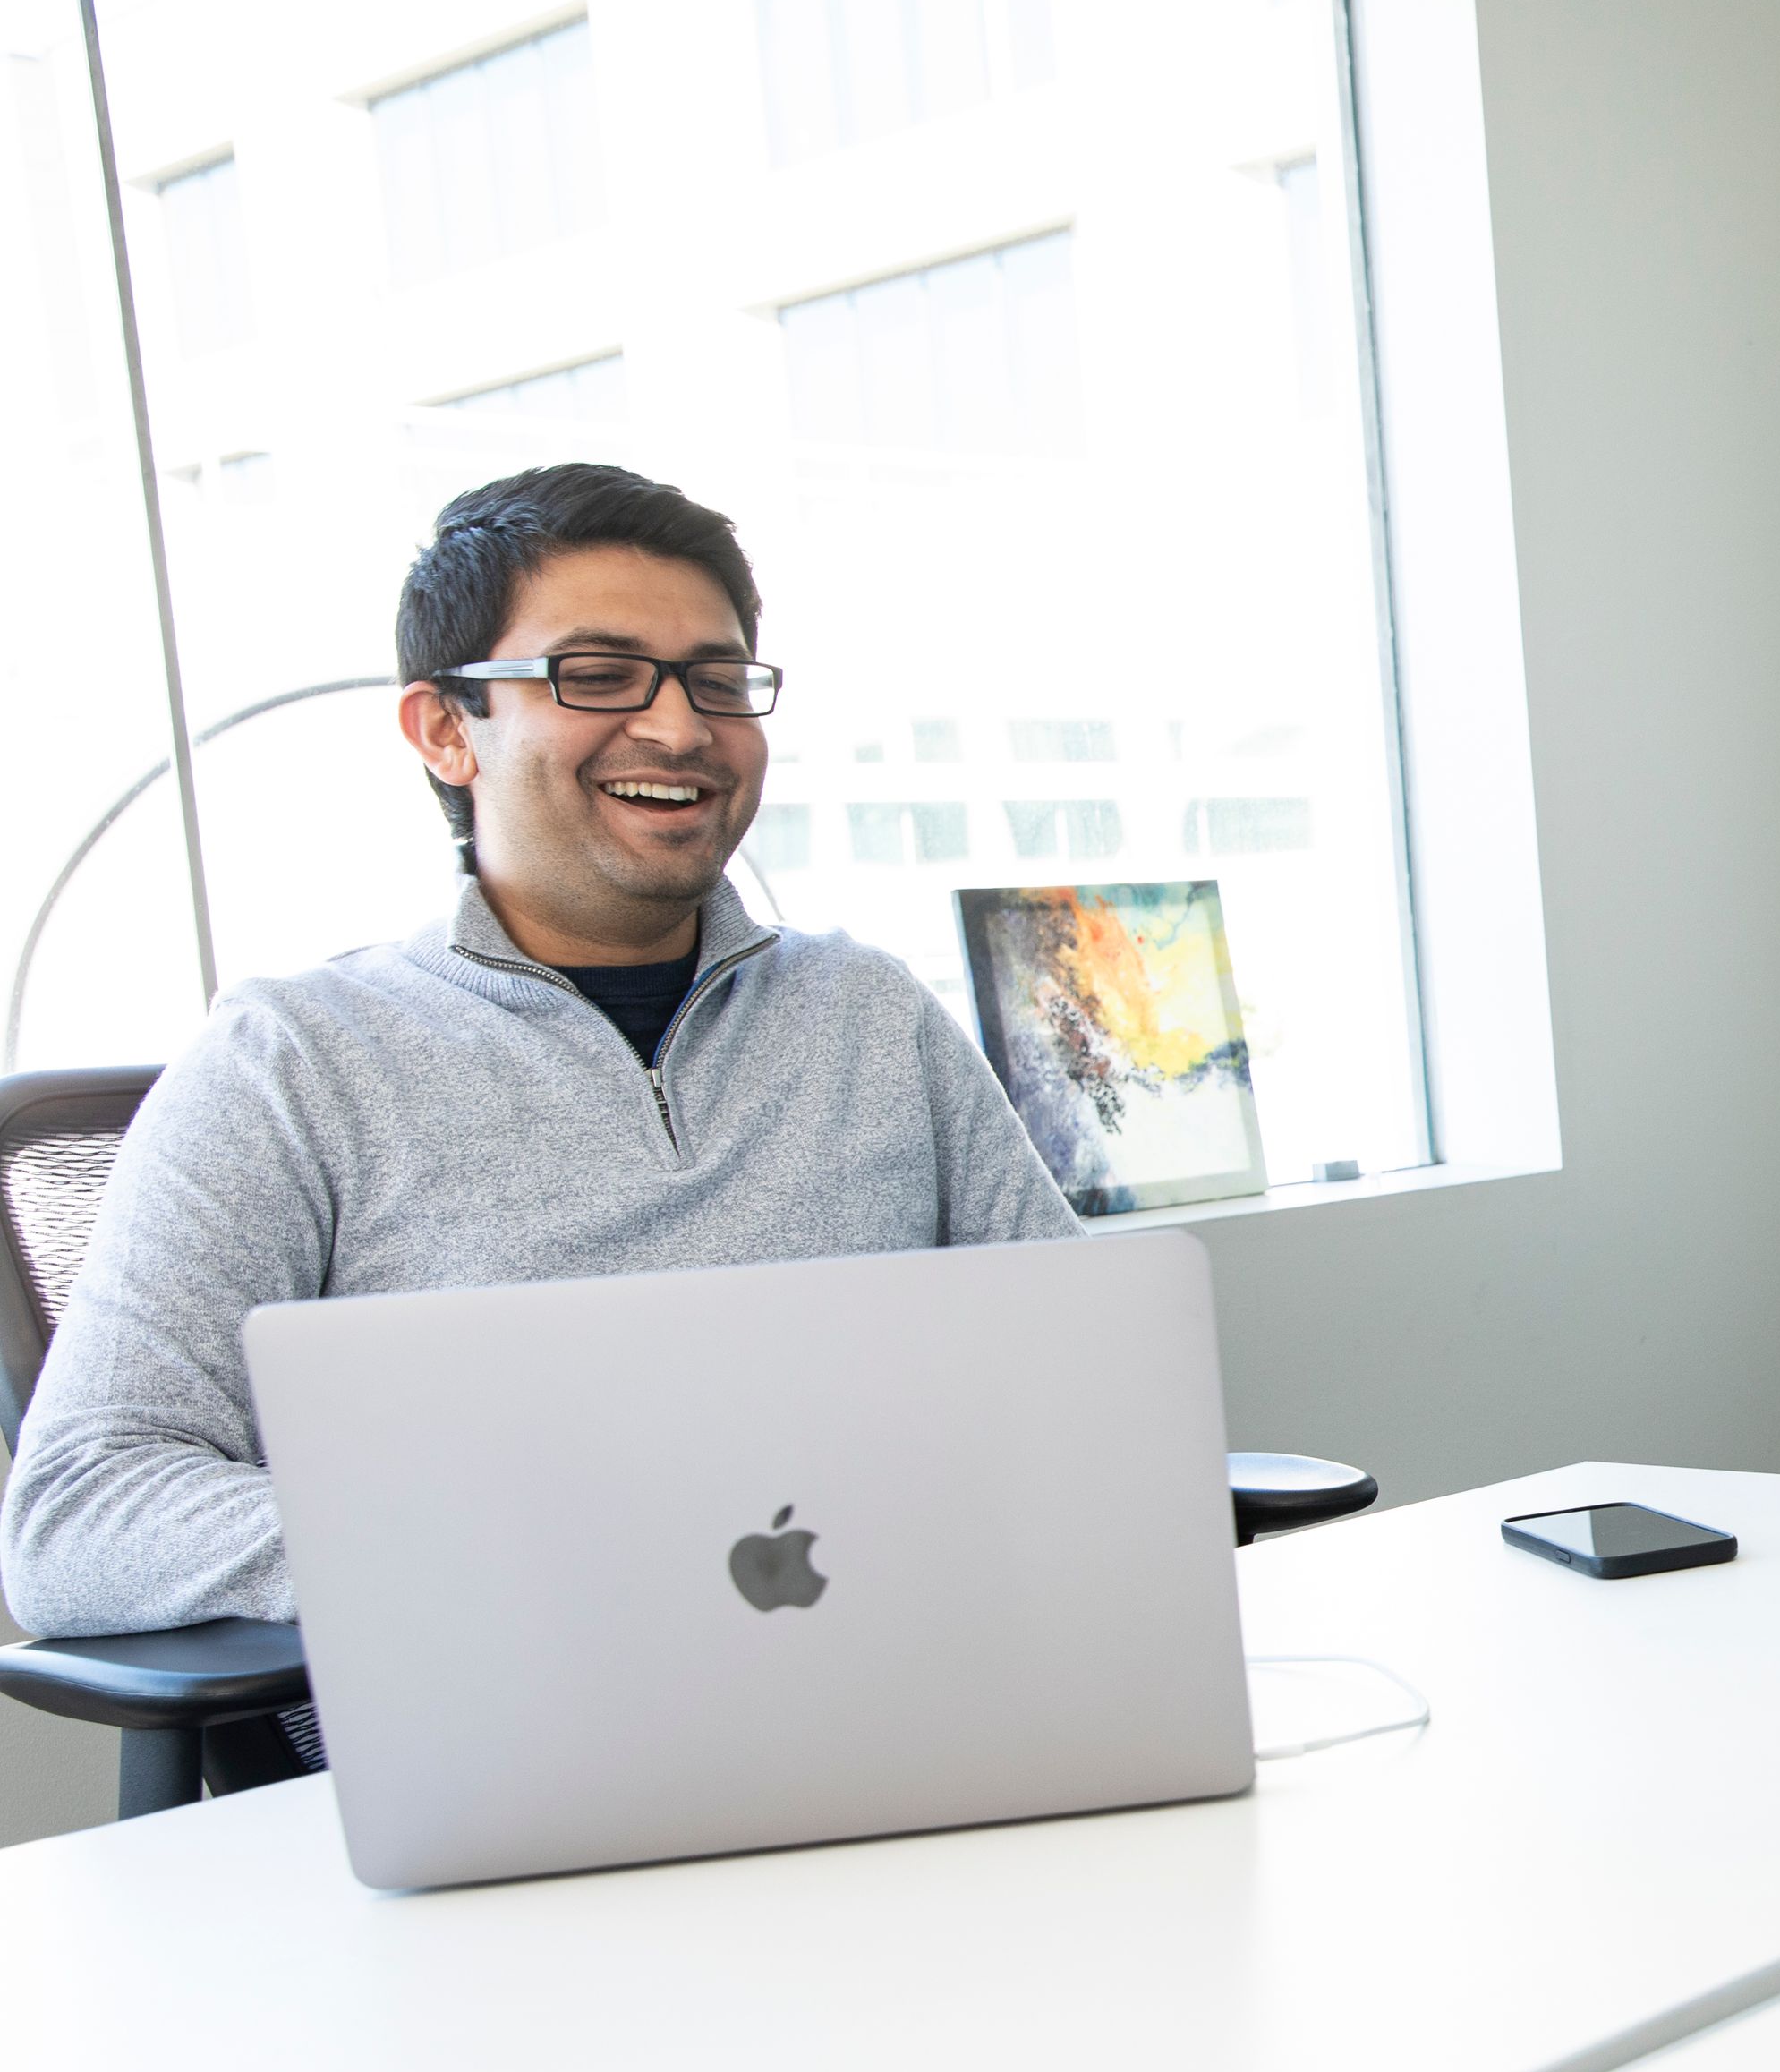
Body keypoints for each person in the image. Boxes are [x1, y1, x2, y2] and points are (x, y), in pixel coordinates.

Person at [1, 464, 1078, 1671]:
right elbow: (81, 1514)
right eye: (598, 675)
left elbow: (1081, 1390)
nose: (679, 728)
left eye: (717, 682)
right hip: (513, 1737)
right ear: (446, 730)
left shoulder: (872, 1018)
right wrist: (501, 1550)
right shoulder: (289, 1065)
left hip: (921, 1694)